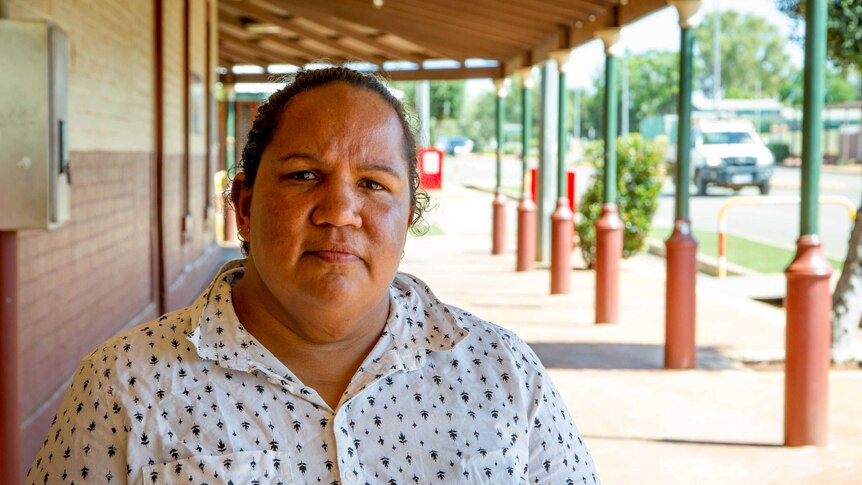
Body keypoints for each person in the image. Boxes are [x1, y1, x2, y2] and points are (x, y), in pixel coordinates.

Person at [27, 67, 599, 484]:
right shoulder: (127, 385)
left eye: (374, 184)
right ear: (245, 208)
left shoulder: (503, 374)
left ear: (409, 218)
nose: (340, 211)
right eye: (304, 175)